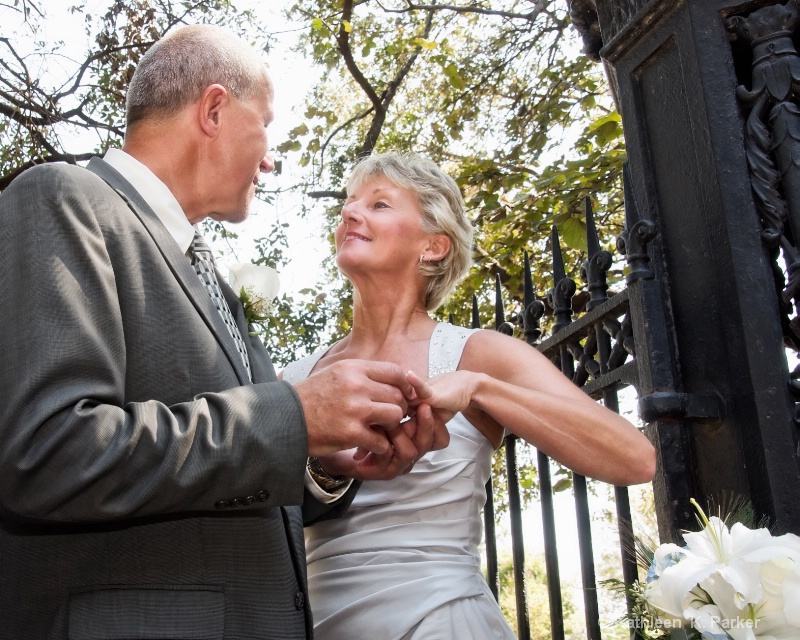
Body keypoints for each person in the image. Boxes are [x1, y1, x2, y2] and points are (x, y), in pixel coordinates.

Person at [0, 26, 447, 640]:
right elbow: (49, 451)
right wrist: (293, 415)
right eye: (264, 124)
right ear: (213, 109)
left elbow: (250, 468)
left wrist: (328, 461)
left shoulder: (213, 280)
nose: (270, 159)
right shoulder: (63, 200)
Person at [282, 151, 658, 639]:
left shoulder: (478, 353)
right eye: (350, 203)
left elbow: (635, 459)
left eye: (378, 204)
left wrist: (480, 388)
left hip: (439, 621)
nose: (350, 212)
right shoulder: (296, 378)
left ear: (434, 247)